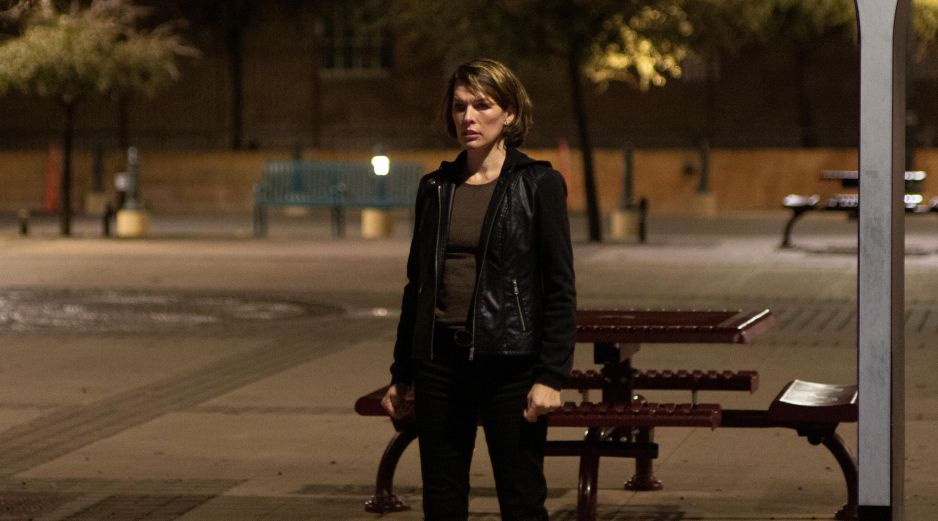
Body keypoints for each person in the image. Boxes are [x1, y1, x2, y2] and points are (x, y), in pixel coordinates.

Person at [381, 58, 576, 521]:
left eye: (482, 105)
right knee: (442, 498)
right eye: (459, 106)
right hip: (439, 363)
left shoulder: (539, 184)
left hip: (511, 362)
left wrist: (551, 376)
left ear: (509, 113)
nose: (468, 117)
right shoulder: (436, 187)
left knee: (521, 497)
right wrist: (402, 371)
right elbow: (417, 285)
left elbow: (559, 287)